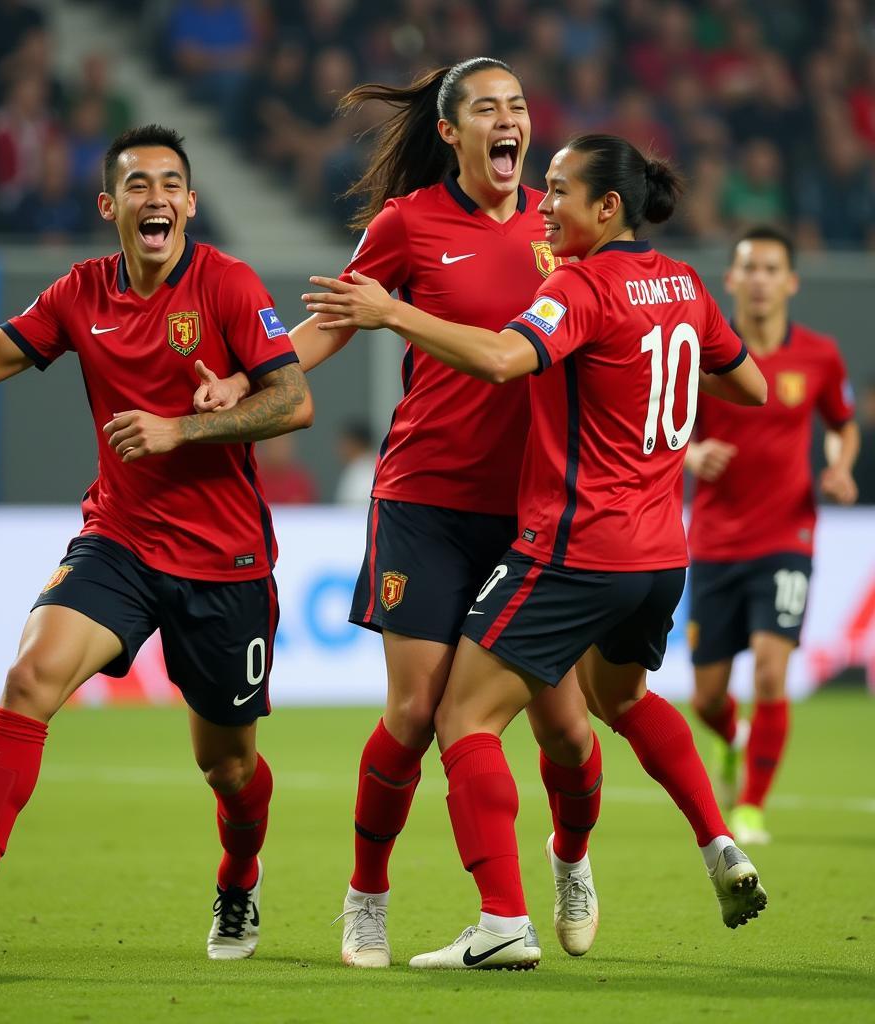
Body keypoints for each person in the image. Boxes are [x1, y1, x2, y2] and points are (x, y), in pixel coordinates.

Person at [303, 133, 770, 970]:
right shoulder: (686, 283)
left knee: (460, 718)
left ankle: (503, 920)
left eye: (560, 192)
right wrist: (652, 374)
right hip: (660, 554)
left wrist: (393, 311)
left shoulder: (580, 284)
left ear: (607, 207)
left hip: (574, 547)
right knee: (616, 703)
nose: (543, 208)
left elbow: (498, 358)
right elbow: (750, 385)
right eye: (542, 187)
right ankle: (716, 842)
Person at [196, 58, 606, 969]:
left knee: (567, 729)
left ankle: (571, 858)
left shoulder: (559, 221)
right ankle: (367, 897)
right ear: (453, 133)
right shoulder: (408, 222)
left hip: (536, 512)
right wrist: (248, 378)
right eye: (488, 111)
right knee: (416, 713)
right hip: (423, 498)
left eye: (520, 107)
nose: (510, 122)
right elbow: (336, 321)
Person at [0, 124, 313, 961]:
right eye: (138, 185)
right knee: (29, 676)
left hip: (226, 562)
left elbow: (291, 402)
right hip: (119, 537)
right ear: (109, 204)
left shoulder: (226, 284)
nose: (156, 198)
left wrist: (181, 429)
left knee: (228, 769)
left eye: (170, 184)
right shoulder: (79, 293)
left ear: (190, 203)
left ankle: (239, 880)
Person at [685, 225, 859, 845]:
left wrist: (838, 466)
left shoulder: (819, 355)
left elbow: (843, 423)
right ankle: (733, 738)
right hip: (711, 542)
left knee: (768, 675)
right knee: (706, 697)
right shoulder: (705, 355)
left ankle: (752, 809)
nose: (759, 279)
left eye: (770, 269)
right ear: (731, 280)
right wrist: (692, 453)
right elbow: (660, 424)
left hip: (788, 536)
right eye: (748, 268)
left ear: (790, 282)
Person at [333, 419, 377, 506]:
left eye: (344, 442)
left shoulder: (366, 474)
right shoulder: (357, 468)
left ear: (355, 443)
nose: (339, 448)